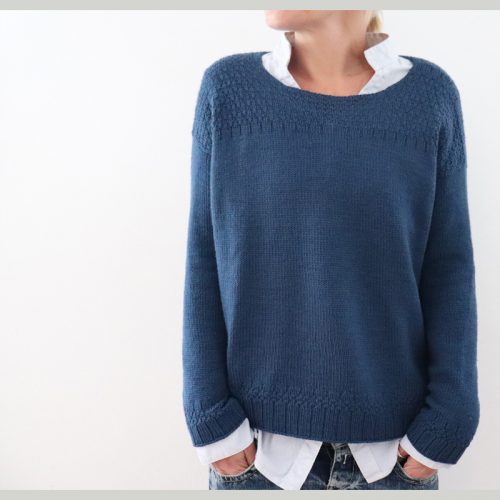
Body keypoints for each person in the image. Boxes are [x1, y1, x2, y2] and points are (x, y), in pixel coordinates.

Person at [182, 10, 480, 490]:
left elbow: (449, 267)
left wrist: (451, 417)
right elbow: (204, 254)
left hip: (394, 457)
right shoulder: (229, 91)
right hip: (257, 455)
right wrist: (208, 413)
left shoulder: (429, 98)